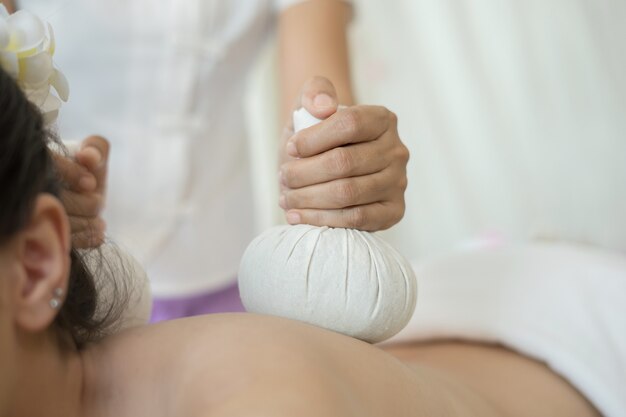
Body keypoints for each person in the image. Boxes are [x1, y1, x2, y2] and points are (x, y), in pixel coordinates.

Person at [0, 65, 603, 417]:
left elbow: (320, 109)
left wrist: (334, 152)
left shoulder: (259, 396)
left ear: (33, 265)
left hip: (574, 336)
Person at [4, 0, 409, 321]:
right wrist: (34, 172)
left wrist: (336, 153)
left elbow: (319, 92)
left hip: (227, 285)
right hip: (56, 274)